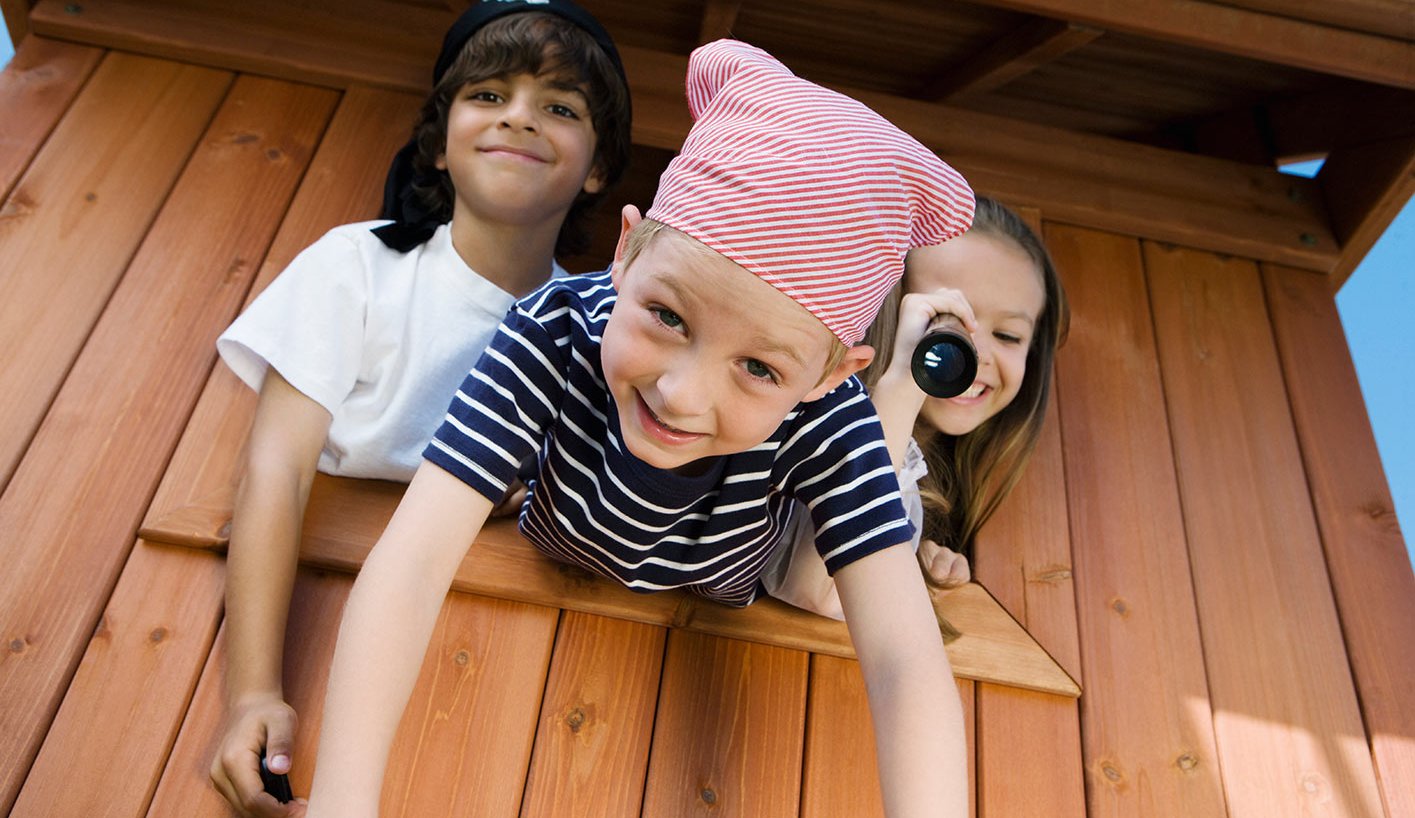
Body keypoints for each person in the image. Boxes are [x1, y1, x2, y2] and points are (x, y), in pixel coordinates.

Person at [303, 39, 976, 818]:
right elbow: (412, 562)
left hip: (727, 583)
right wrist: (340, 804)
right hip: (560, 536)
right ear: (624, 252)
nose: (680, 393)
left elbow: (902, 662)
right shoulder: (550, 330)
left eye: (758, 369)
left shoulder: (832, 422)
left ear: (829, 378)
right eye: (665, 315)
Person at [207, 3, 631, 815]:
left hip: (511, 687)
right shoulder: (357, 267)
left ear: (598, 168)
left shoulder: (601, 335)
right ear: (438, 143)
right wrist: (252, 693)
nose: (519, 117)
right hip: (318, 629)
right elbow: (277, 469)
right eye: (489, 94)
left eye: (561, 107)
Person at [762, 196, 1070, 620]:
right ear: (888, 311)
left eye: (1008, 336)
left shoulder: (944, 481)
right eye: (946, 319)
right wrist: (903, 386)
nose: (975, 354)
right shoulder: (808, 423)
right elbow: (813, 587)